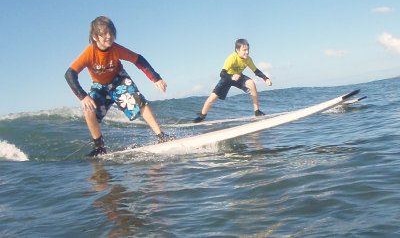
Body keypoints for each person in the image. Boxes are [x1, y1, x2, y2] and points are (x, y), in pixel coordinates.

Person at [65, 16, 173, 157]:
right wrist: (83, 96)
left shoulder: (116, 49)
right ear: (95, 37)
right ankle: (100, 147)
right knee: (88, 109)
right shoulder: (89, 53)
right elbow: (70, 74)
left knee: (139, 101)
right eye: (104, 34)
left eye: (111, 32)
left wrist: (156, 78)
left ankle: (161, 136)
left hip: (118, 80)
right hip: (100, 86)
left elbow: (138, 60)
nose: (109, 37)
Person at [193, 38, 272, 123]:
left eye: (248, 50)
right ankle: (202, 116)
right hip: (226, 78)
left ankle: (257, 111)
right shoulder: (232, 58)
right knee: (211, 99)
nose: (247, 52)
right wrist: (231, 77)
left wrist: (265, 78)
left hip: (238, 77)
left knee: (251, 83)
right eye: (244, 50)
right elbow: (222, 74)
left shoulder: (248, 59)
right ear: (237, 50)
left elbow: (256, 71)